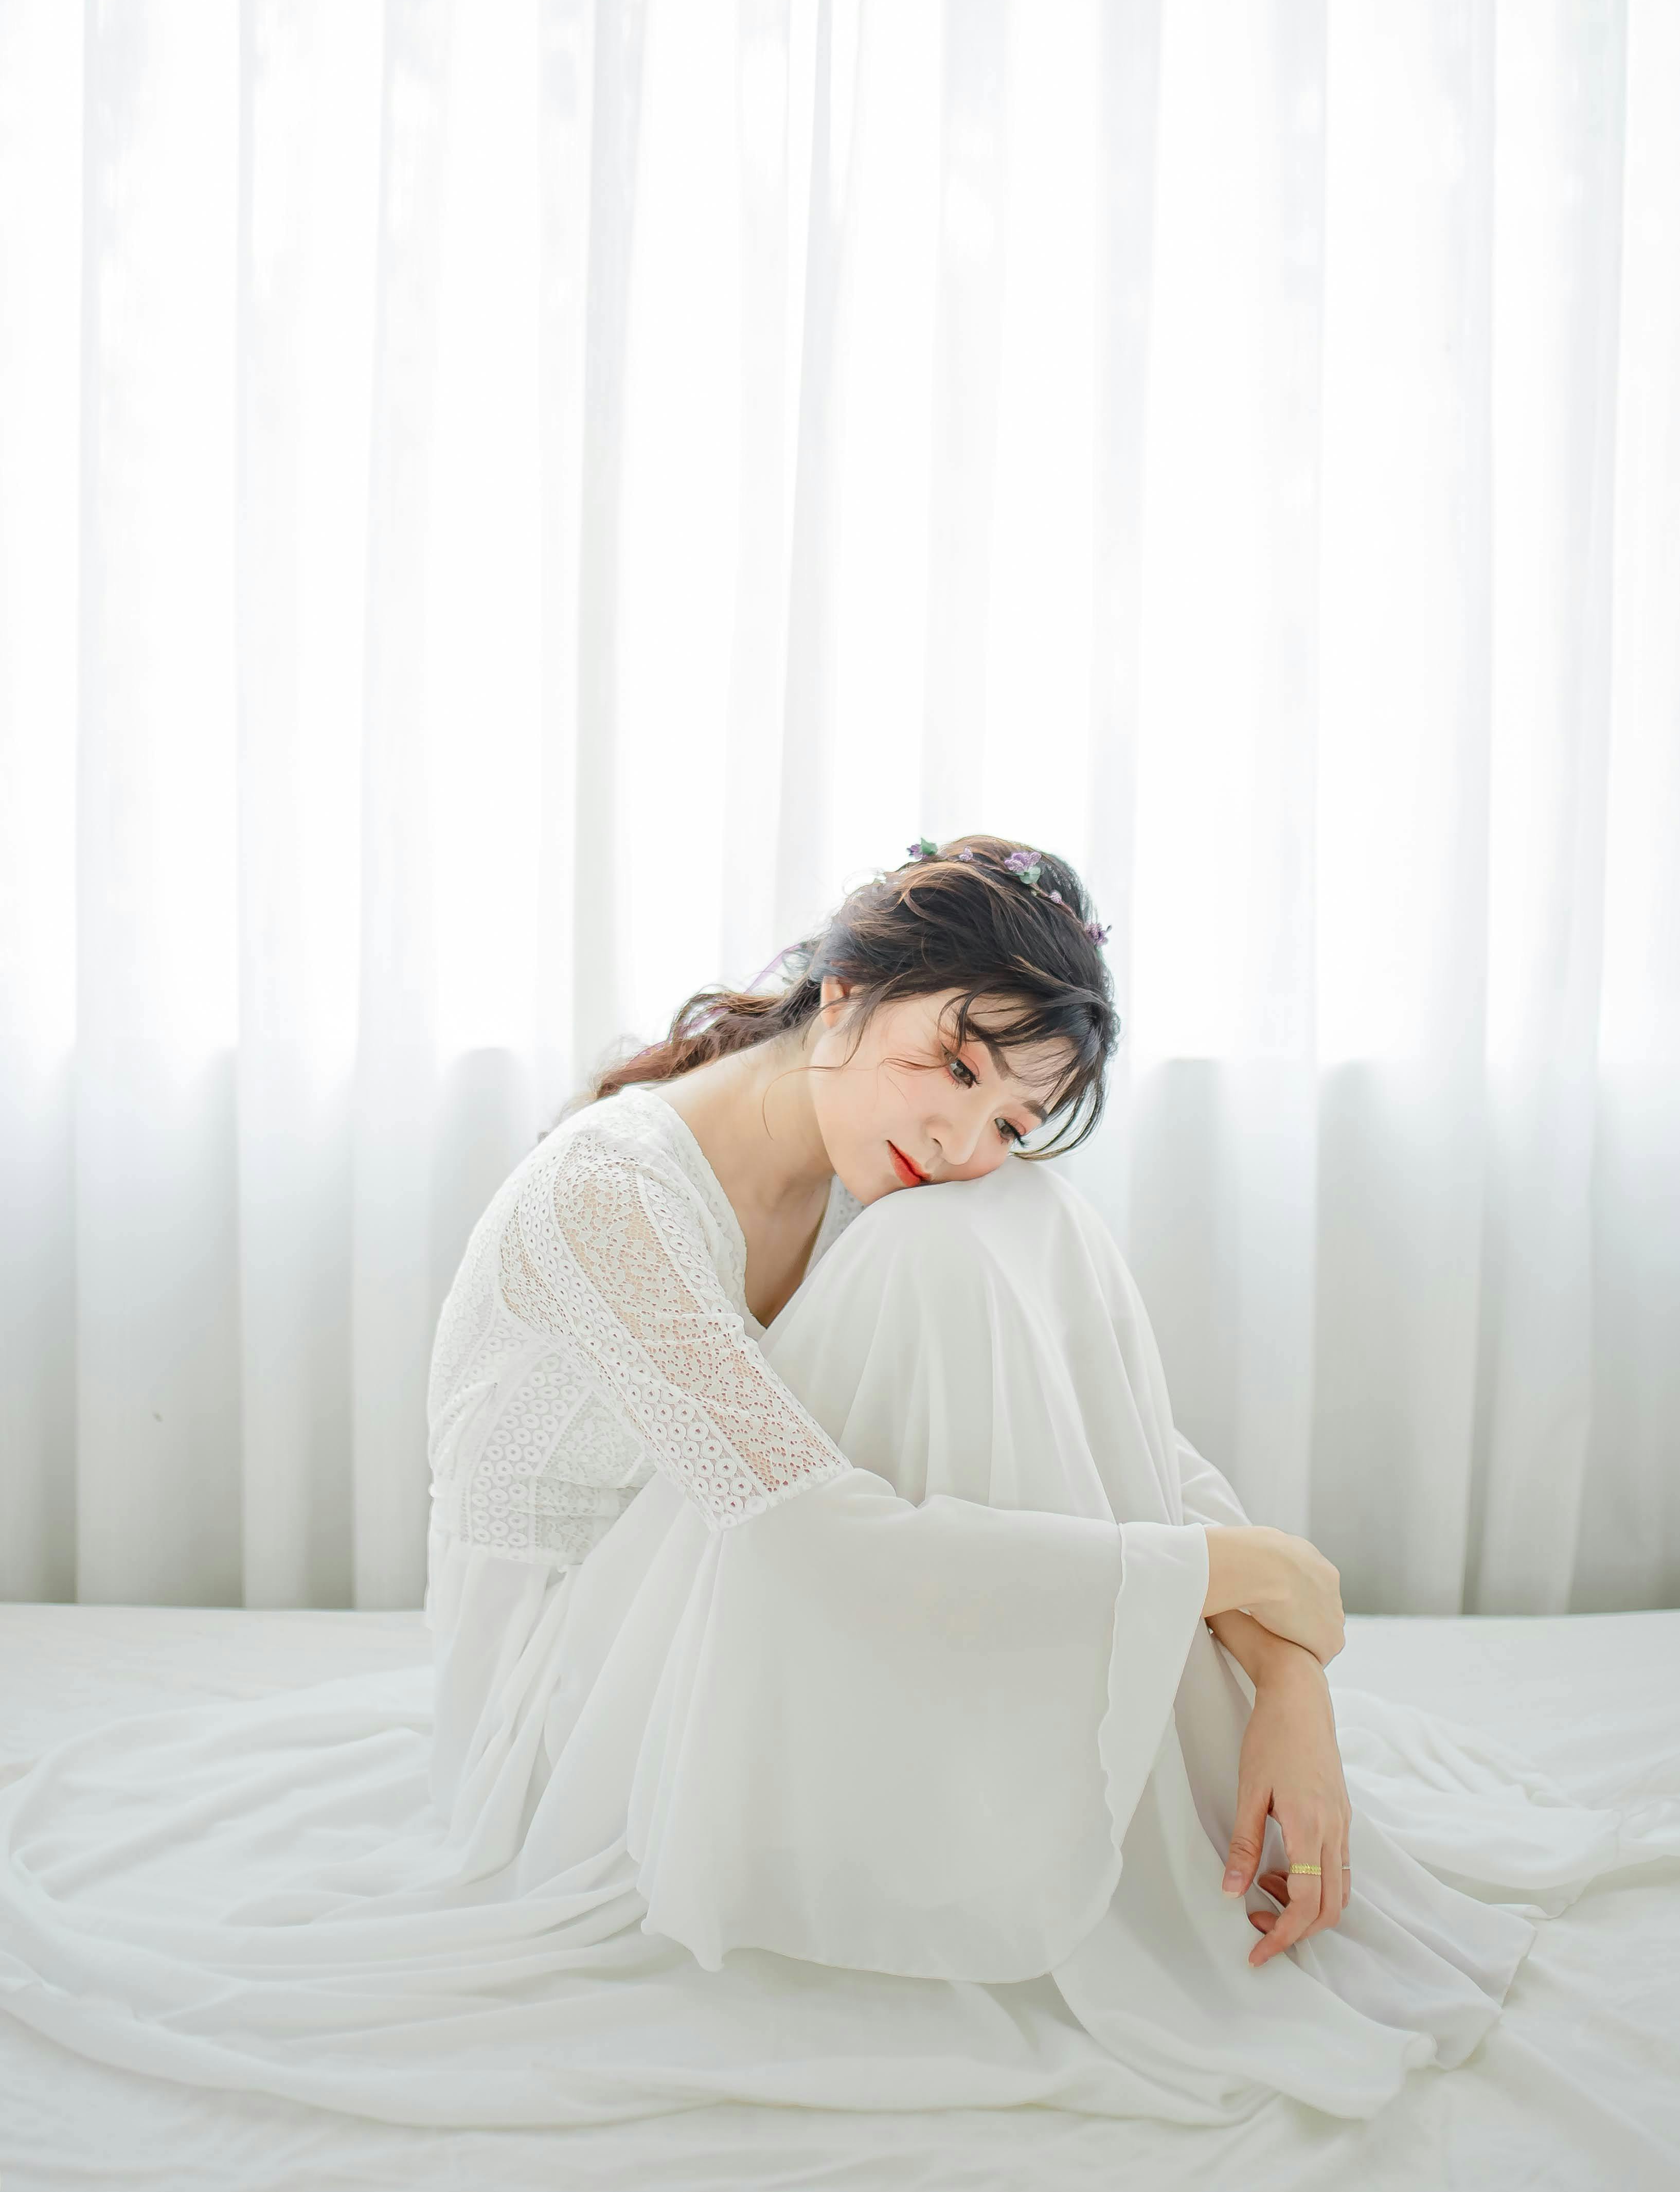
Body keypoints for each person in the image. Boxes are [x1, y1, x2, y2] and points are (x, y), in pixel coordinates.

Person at [0, 836, 1668, 2129]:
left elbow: (1117, 1421)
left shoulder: (888, 1176)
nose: (964, 1136)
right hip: (564, 1718)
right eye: (956, 1064)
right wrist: (1223, 1574)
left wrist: (1283, 1661)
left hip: (729, 1617)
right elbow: (811, 1544)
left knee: (1009, 1232)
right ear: (847, 990)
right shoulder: (612, 1192)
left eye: (1014, 1111)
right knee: (971, 1253)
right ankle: (1120, 1822)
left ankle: (1172, 1777)